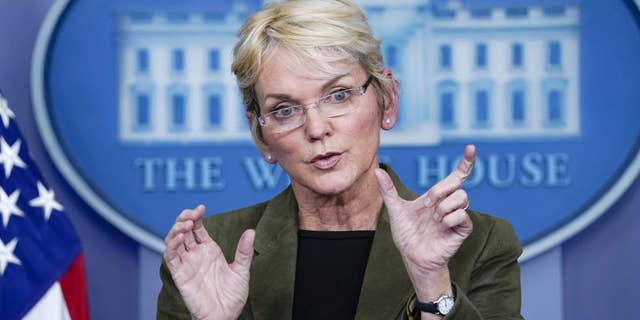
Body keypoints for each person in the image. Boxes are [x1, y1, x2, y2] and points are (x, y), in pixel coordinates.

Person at [157, 0, 523, 319]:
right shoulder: (211, 250)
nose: (316, 129)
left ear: (387, 100)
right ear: (260, 135)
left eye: (338, 95)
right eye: (285, 110)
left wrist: (432, 284)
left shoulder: (480, 243)